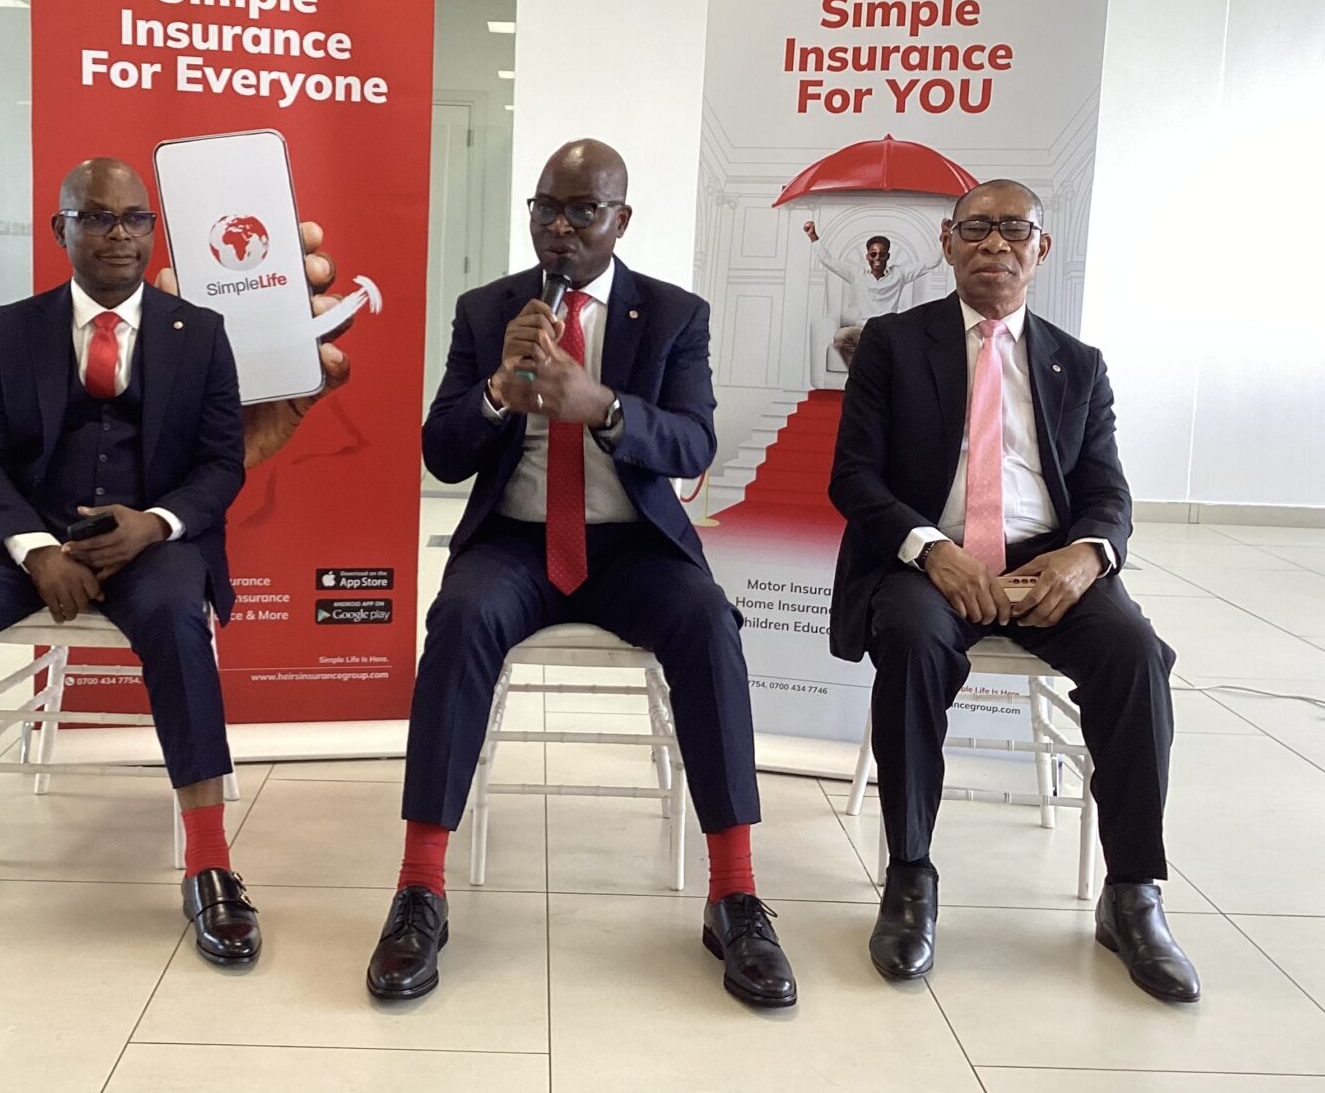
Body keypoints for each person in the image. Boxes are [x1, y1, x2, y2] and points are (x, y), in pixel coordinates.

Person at [0, 157, 349, 970]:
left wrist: (154, 525)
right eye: (97, 217)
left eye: (135, 219)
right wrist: (36, 547)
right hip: (30, 541)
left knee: (176, 619)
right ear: (62, 229)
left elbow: (220, 464)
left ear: (153, 231)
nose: (120, 234)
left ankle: (209, 864)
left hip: (151, 545)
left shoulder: (201, 333)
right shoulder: (11, 329)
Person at [364, 139, 795, 1009]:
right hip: (516, 542)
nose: (559, 228)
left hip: (632, 545)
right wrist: (496, 391)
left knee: (709, 622)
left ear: (620, 220)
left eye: (582, 211)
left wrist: (602, 407)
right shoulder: (488, 310)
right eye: (546, 209)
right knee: (459, 619)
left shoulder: (673, 315)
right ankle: (420, 889)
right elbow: (442, 453)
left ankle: (735, 894)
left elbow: (694, 443)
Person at [826, 179, 1199, 1003]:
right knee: (913, 643)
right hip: (930, 557)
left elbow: (1107, 491)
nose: (995, 244)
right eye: (977, 229)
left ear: (1041, 249)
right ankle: (910, 879)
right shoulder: (892, 343)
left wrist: (1087, 557)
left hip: (1047, 560)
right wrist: (932, 550)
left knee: (1135, 653)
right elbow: (853, 479)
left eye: (1014, 230)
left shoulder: (1079, 363)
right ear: (948, 242)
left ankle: (1133, 895)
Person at [803, 219, 938, 366]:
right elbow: (828, 260)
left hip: (889, 331)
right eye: (873, 254)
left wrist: (945, 238)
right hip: (863, 329)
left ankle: (882, 373)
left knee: (913, 342)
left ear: (888, 256)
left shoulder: (899, 274)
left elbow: (929, 264)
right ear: (867, 256)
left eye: (882, 254)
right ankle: (858, 372)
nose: (877, 258)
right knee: (841, 337)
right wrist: (813, 237)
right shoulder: (857, 274)